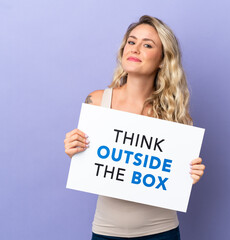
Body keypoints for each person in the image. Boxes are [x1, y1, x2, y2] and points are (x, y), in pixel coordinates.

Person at [64, 15, 205, 240]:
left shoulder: (174, 113)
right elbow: (93, 163)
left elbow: (173, 175)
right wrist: (75, 150)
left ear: (162, 60)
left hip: (161, 232)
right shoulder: (98, 101)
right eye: (131, 41)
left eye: (147, 45)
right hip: (106, 231)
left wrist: (190, 174)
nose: (136, 49)